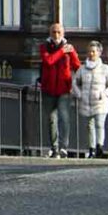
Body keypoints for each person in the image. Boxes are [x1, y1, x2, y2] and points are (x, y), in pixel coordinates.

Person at [38, 21, 81, 157]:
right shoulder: (44, 47)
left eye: (59, 32)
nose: (56, 34)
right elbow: (49, 61)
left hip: (64, 89)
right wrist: (62, 51)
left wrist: (72, 52)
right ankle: (54, 147)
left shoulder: (69, 48)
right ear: (50, 33)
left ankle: (64, 147)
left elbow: (77, 66)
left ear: (63, 34)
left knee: (64, 117)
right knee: (51, 119)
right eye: (54, 32)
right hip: (48, 88)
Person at [72, 39, 108, 158]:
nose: (91, 54)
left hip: (100, 102)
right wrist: (79, 94)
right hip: (86, 102)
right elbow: (75, 82)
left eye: (93, 51)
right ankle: (91, 149)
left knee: (99, 124)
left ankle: (99, 148)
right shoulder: (82, 69)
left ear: (99, 53)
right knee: (89, 126)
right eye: (89, 51)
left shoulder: (105, 68)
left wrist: (104, 94)